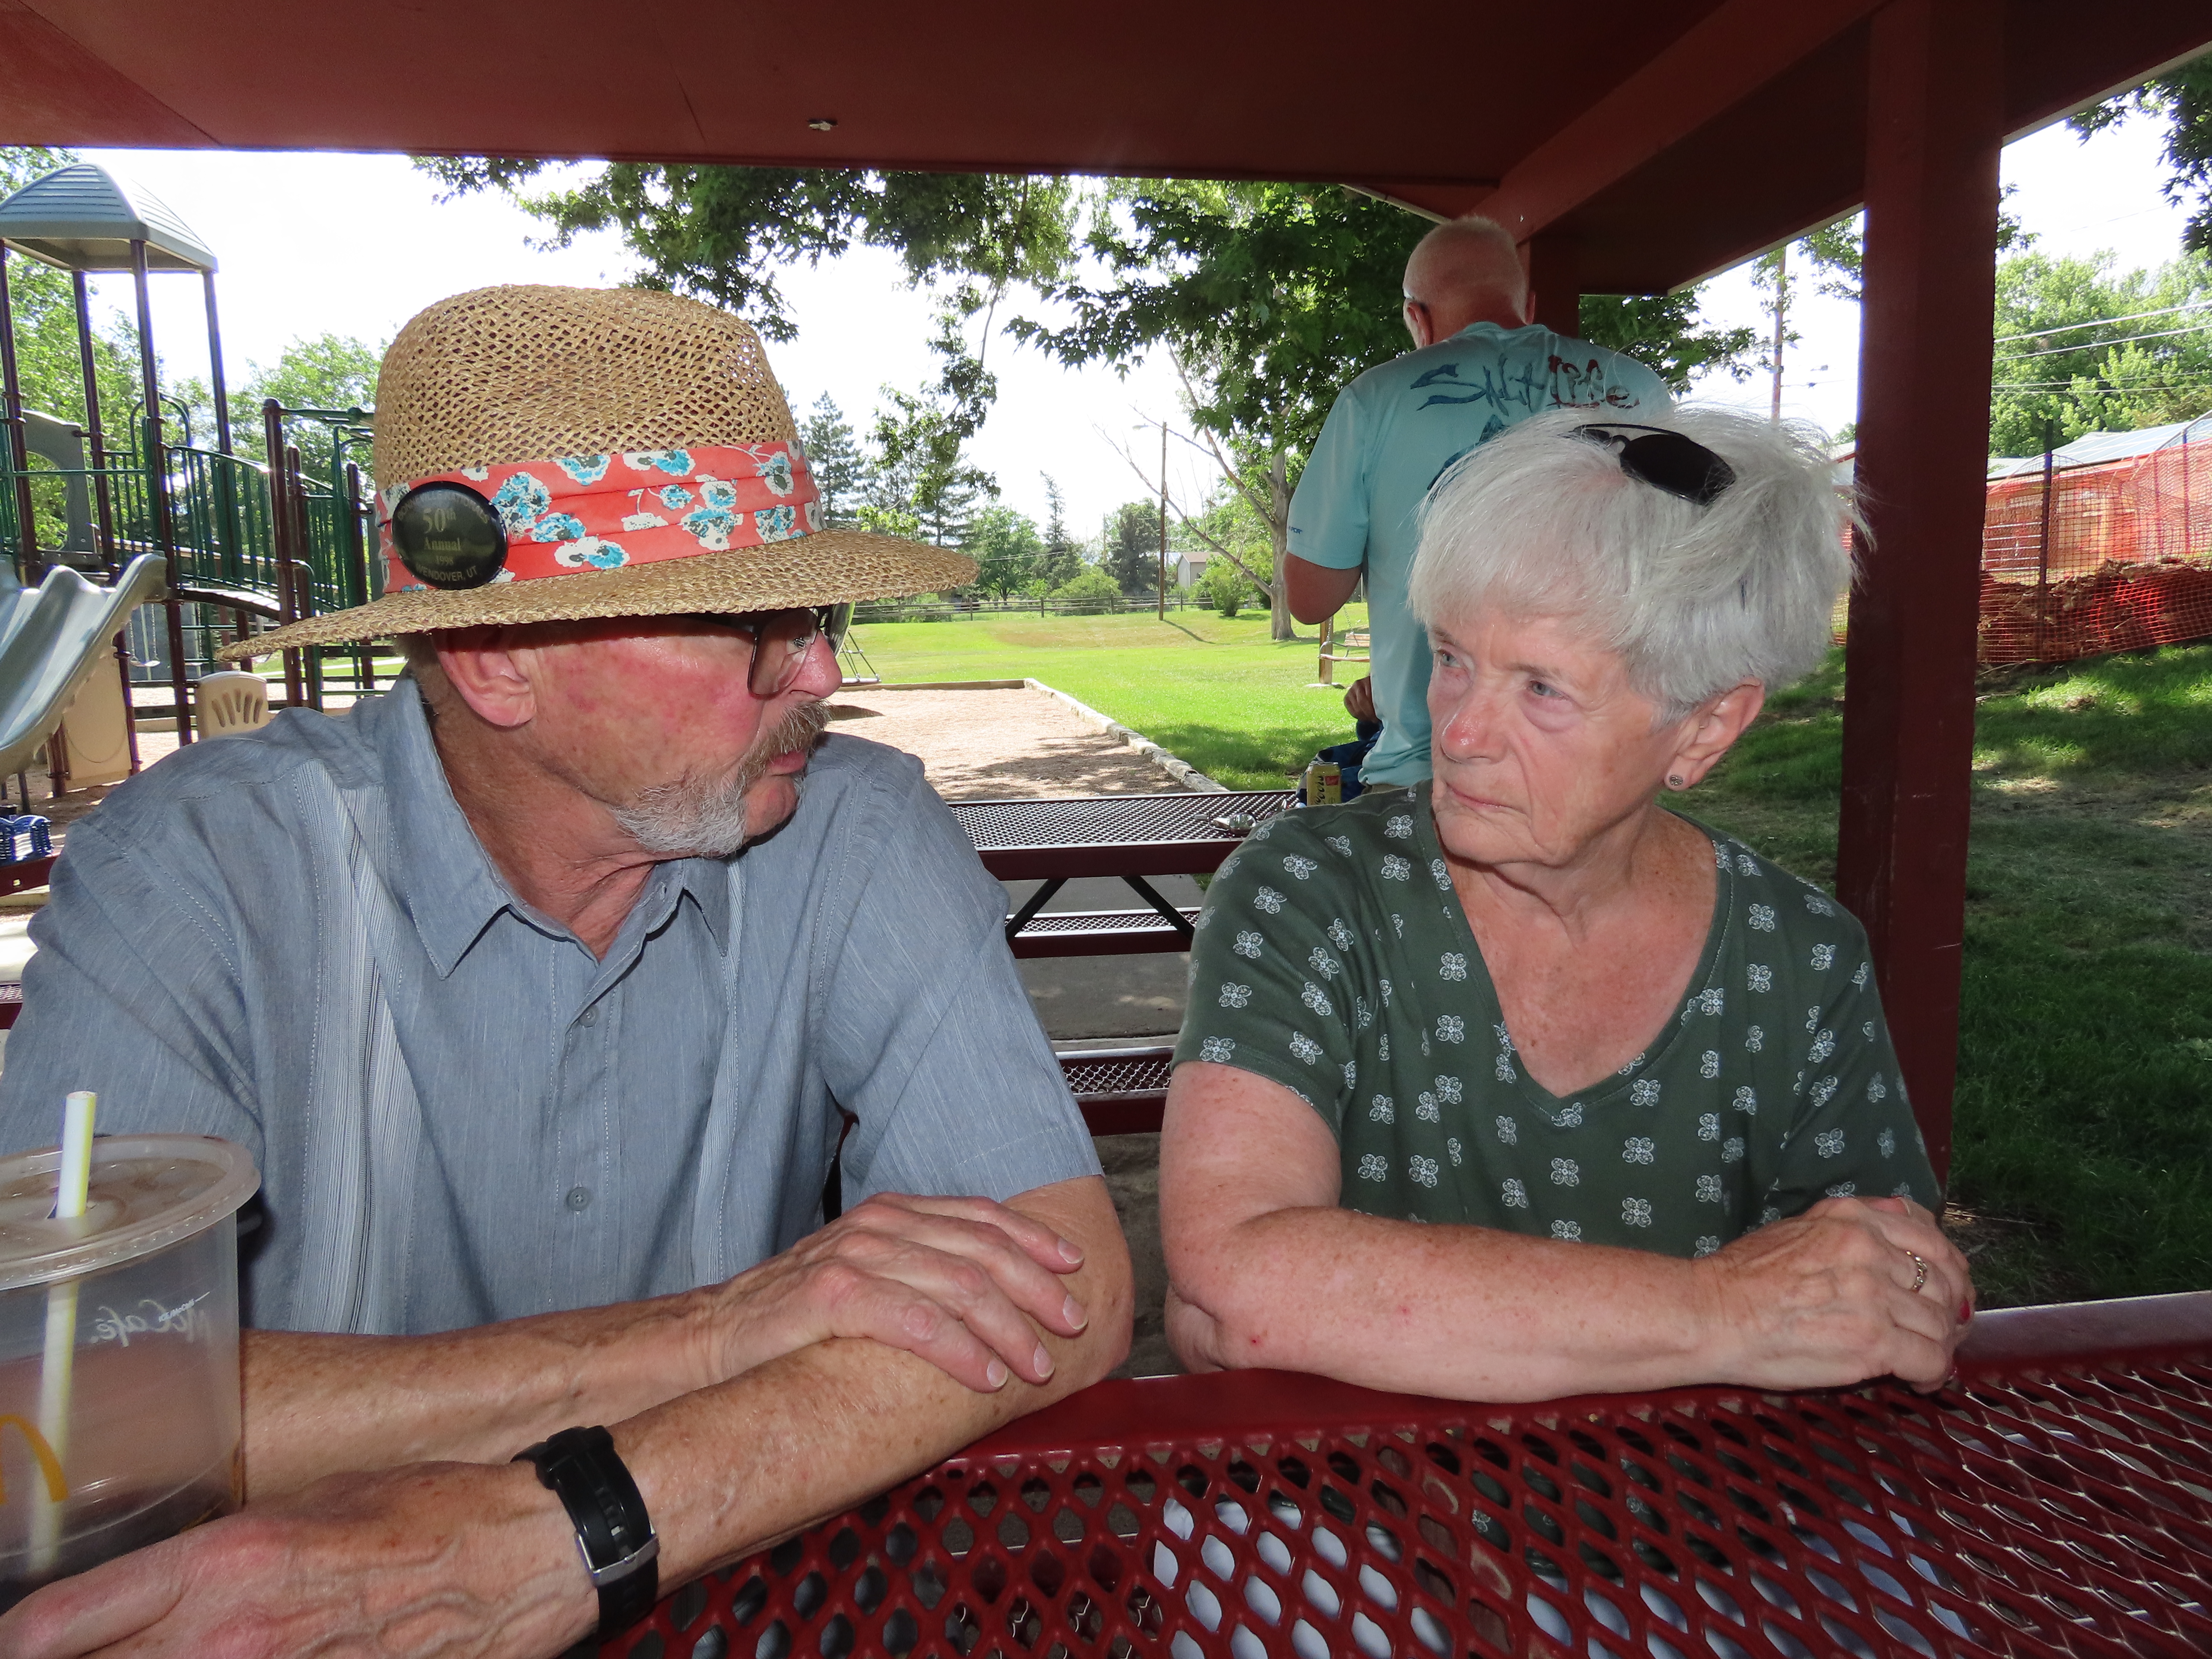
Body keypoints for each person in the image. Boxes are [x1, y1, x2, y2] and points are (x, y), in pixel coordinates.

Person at [0, 285, 1132, 1657]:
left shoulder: (857, 828)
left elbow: (1069, 1297)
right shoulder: (200, 869)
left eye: (816, 610)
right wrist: (710, 1338)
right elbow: (61, 1414)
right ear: (494, 662)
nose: (822, 671)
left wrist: (570, 1535)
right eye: (752, 627)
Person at [1161, 405, 1971, 1402]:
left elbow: (1887, 1293)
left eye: (1541, 687)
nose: (1457, 733)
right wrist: (1726, 1314)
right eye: (1453, 658)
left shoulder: (1799, 959)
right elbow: (1238, 1281)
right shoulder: (1313, 893)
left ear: (1706, 727)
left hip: (1702, 1513)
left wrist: (1876, 1291)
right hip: (1368, 1514)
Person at [1286, 213, 1671, 792]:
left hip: (1434, 769)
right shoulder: (1641, 392)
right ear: (1531, 303)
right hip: (1601, 775)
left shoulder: (1375, 400)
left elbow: (1311, 599)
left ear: (1417, 317)